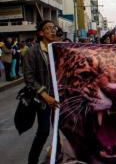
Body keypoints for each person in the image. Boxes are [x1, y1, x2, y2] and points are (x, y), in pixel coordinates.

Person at [23, 20, 62, 164]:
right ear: (41, 33)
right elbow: (29, 77)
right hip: (43, 99)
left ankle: (57, 155)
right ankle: (32, 161)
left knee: (61, 129)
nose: (53, 30)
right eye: (48, 28)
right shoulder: (32, 52)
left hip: (59, 97)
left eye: (54, 28)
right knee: (44, 130)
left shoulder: (58, 49)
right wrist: (45, 96)